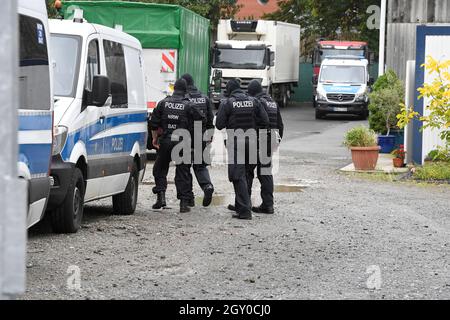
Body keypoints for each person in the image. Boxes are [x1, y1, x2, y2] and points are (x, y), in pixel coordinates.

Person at [215, 79, 269, 220]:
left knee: (238, 176)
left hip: (235, 143)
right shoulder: (254, 101)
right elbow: (265, 120)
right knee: (247, 174)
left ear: (229, 90)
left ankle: (245, 211)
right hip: (252, 141)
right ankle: (242, 207)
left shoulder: (227, 103)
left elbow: (219, 125)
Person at [149, 79, 203, 213]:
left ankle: (161, 198)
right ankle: (184, 204)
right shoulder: (190, 105)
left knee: (160, 169)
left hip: (166, 141)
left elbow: (153, 122)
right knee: (183, 172)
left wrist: (155, 139)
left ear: (174, 89)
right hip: (183, 142)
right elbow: (202, 119)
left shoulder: (163, 103)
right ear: (185, 90)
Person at [246, 80, 284, 214]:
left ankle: (244, 203)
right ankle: (268, 205)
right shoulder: (272, 102)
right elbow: (280, 125)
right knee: (266, 173)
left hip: (258, 140)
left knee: (248, 171)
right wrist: (276, 143)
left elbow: (254, 122)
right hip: (271, 141)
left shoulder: (257, 102)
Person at [180, 73, 215, 207]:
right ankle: (207, 186)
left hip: (186, 136)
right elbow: (211, 119)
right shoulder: (204, 98)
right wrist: (210, 135)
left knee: (185, 167)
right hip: (202, 135)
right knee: (200, 165)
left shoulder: (184, 98)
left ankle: (189, 198)